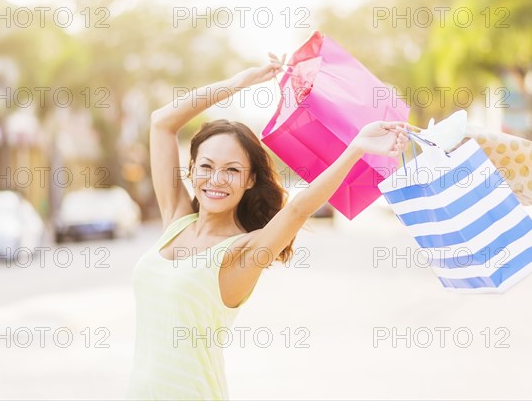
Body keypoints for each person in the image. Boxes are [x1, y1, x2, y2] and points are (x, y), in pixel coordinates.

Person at [125, 52, 409, 400]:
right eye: (206, 166)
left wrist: (355, 149)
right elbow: (161, 122)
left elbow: (297, 211)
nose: (216, 179)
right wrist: (238, 84)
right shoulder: (176, 221)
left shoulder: (241, 252)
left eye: (231, 170)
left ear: (249, 180)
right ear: (191, 170)